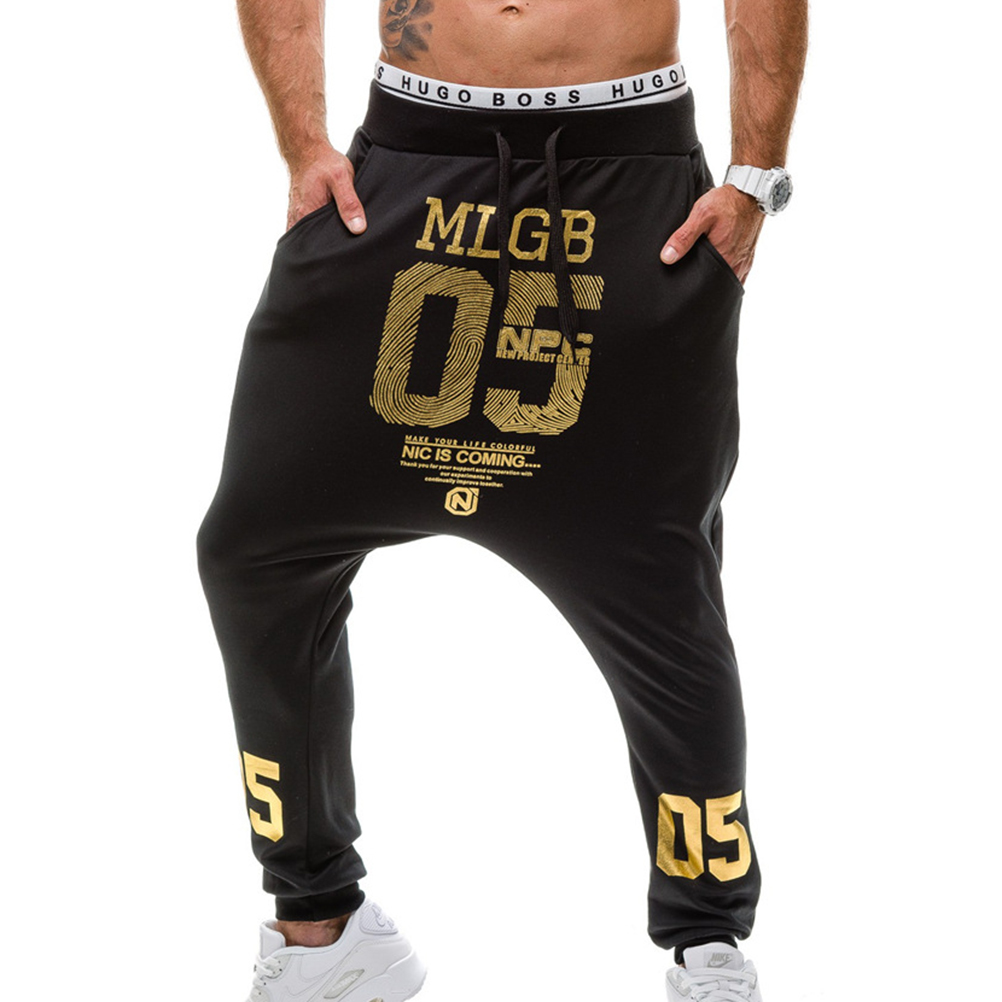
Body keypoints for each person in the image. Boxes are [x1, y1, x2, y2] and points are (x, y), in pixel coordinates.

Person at [196, 0, 807, 999]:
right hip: (405, 166)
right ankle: (322, 929)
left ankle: (708, 944)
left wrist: (754, 176)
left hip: (623, 175)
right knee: (255, 545)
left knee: (659, 583)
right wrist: (303, 144)